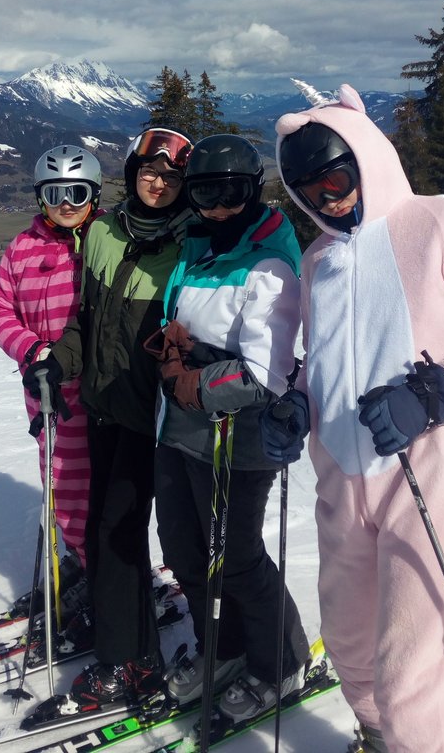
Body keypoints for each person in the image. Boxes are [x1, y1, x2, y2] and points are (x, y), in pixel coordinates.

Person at [265, 84, 444, 753]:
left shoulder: (443, 223)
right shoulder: (319, 259)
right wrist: (296, 402)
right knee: (351, 642)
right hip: (345, 476)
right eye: (308, 190)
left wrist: (433, 394)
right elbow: (321, 357)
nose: (327, 199)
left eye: (335, 179)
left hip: (437, 471)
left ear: (367, 160)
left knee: (413, 663)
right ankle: (381, 738)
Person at [21, 128, 193, 713]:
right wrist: (55, 363)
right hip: (102, 410)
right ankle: (129, 636)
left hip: (150, 418)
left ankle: (128, 660)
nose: (158, 183)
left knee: (117, 533)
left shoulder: (188, 246)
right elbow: (85, 322)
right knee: (104, 530)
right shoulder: (104, 233)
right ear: (131, 174)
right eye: (149, 172)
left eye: (171, 176)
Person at [148, 134, 310, 726]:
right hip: (179, 430)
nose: (217, 207)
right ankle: (226, 647)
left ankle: (280, 662)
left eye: (231, 194)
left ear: (254, 191)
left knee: (236, 559)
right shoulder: (199, 246)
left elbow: (267, 372)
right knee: (185, 552)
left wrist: (194, 381)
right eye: (204, 194)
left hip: (235, 440)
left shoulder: (268, 262)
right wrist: (176, 348)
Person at [0, 143, 102, 584]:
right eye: (55, 194)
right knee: (63, 485)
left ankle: (106, 570)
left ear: (94, 195)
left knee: (109, 487)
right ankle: (84, 562)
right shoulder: (23, 248)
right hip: (50, 394)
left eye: (77, 192)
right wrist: (31, 350)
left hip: (102, 390)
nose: (66, 204)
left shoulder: (106, 240)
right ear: (40, 198)